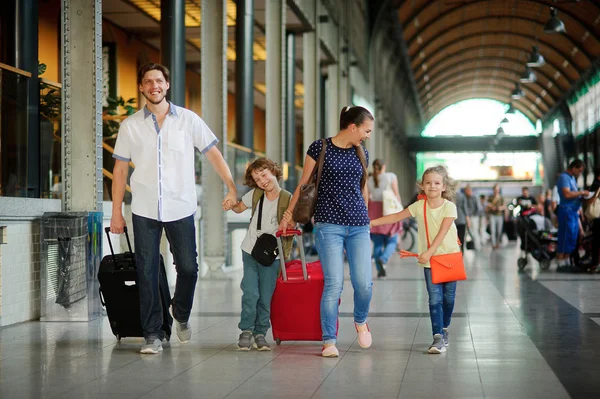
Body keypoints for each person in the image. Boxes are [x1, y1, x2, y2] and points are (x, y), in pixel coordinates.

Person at [110, 63, 237, 354]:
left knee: (189, 268)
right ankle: (152, 334)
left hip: (181, 206)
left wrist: (231, 186)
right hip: (143, 207)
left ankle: (179, 313)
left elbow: (214, 155)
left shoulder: (188, 120)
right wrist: (117, 211)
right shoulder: (130, 126)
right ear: (141, 87)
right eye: (147, 82)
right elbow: (119, 171)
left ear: (167, 85)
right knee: (147, 271)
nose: (154, 85)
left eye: (159, 80)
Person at [280, 106, 373, 358]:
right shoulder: (319, 148)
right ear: (352, 126)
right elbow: (303, 184)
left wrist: (366, 218)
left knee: (363, 284)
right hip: (328, 225)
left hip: (358, 226)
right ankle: (328, 339)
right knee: (333, 284)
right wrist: (288, 216)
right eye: (366, 130)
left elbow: (363, 187)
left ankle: (360, 320)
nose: (368, 135)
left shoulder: (362, 152)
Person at [371, 165, 459, 354]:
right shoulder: (419, 206)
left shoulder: (449, 207)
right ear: (422, 186)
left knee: (448, 299)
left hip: (449, 257)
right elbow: (396, 216)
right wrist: (371, 222)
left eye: (436, 183)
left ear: (444, 186)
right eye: (428, 183)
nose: (432, 186)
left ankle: (444, 329)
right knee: (434, 299)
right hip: (429, 261)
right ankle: (437, 337)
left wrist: (429, 251)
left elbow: (443, 233)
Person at [229, 158, 293, 351]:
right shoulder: (256, 195)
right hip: (250, 250)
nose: (262, 181)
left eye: (264, 175)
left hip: (272, 256)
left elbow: (293, 226)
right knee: (250, 292)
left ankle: (260, 333)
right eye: (257, 179)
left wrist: (291, 222)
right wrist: (231, 203)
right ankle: (246, 330)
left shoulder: (288, 198)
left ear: (274, 171)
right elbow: (240, 208)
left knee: (265, 296)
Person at [367, 159, 402, 278]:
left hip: (374, 212)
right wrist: (400, 210)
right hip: (389, 210)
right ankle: (384, 258)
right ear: (384, 167)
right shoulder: (391, 177)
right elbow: (396, 194)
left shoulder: (369, 180)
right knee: (392, 239)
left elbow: (367, 198)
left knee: (377, 243)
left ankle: (379, 270)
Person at [555, 159, 588, 272]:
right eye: (579, 171)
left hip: (573, 212)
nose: (579, 173)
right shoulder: (564, 177)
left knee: (571, 238)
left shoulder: (572, 178)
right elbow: (567, 194)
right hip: (566, 211)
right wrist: (581, 192)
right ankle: (560, 263)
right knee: (564, 236)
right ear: (573, 168)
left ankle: (567, 262)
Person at [587, 167, 600, 270]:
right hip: (597, 217)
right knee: (596, 240)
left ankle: (595, 262)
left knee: (596, 240)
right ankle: (595, 262)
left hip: (597, 218)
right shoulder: (596, 185)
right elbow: (590, 201)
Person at [487, 184, 506, 249]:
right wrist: (491, 206)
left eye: (497, 189)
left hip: (499, 216)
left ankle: (497, 243)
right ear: (493, 190)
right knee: (492, 230)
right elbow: (487, 205)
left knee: (499, 231)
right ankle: (493, 244)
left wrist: (500, 208)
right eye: (495, 189)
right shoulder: (490, 197)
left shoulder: (501, 197)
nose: (496, 191)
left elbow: (504, 206)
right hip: (492, 215)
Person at [464, 185, 481, 250]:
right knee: (469, 232)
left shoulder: (474, 197)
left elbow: (478, 208)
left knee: (475, 231)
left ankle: (477, 246)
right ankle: (471, 246)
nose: (467, 192)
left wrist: (474, 215)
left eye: (468, 191)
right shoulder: (465, 197)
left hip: (474, 217)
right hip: (467, 217)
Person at [455, 188, 467, 253]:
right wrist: (467, 218)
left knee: (454, 238)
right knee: (461, 237)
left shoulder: (449, 196)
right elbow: (465, 208)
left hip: (452, 220)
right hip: (461, 219)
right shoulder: (462, 196)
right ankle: (461, 251)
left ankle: (455, 252)